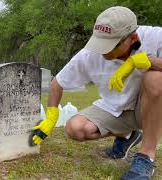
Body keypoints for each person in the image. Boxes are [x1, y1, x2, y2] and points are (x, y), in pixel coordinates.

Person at [31, 6, 162, 179]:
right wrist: (51, 116)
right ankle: (127, 136)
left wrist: (149, 61)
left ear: (133, 38)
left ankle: (146, 156)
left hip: (150, 109)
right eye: (100, 42)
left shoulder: (155, 37)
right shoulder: (89, 54)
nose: (103, 51)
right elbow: (58, 82)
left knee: (155, 79)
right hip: (116, 109)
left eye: (111, 45)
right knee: (75, 128)